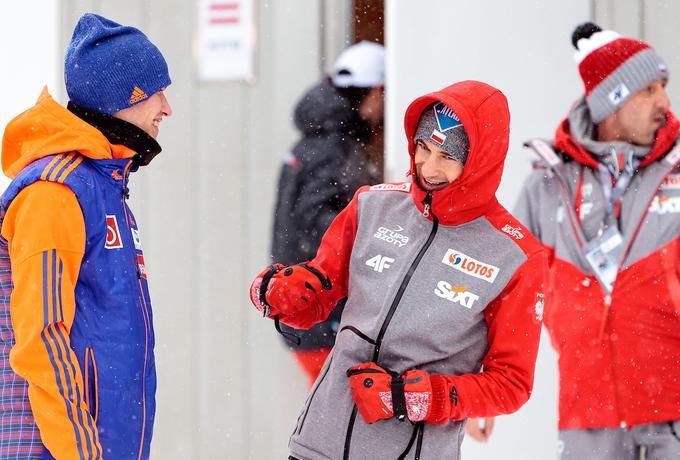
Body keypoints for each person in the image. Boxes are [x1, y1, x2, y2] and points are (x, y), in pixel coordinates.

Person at [250, 80, 547, 459]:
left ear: (480, 160)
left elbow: (511, 384)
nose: (429, 166)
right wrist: (281, 293)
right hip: (317, 443)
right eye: (423, 148)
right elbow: (316, 297)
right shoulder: (371, 206)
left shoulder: (515, 256)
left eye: (447, 156)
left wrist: (420, 397)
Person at [0, 13, 171, 459]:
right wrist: (81, 450)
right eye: (156, 92)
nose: (166, 108)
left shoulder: (105, 187)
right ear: (123, 98)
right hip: (55, 449)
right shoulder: (54, 193)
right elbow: (43, 336)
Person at [513, 22, 680, 459]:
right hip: (588, 407)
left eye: (663, 86)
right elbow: (507, 292)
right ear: (611, 101)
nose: (664, 101)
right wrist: (477, 383)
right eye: (647, 90)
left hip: (673, 407)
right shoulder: (546, 184)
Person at [271, 41, 385, 386]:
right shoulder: (333, 149)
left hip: (310, 314)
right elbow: (315, 226)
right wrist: (380, 239)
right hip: (322, 316)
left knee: (334, 426)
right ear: (376, 91)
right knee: (341, 428)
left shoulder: (315, 143)